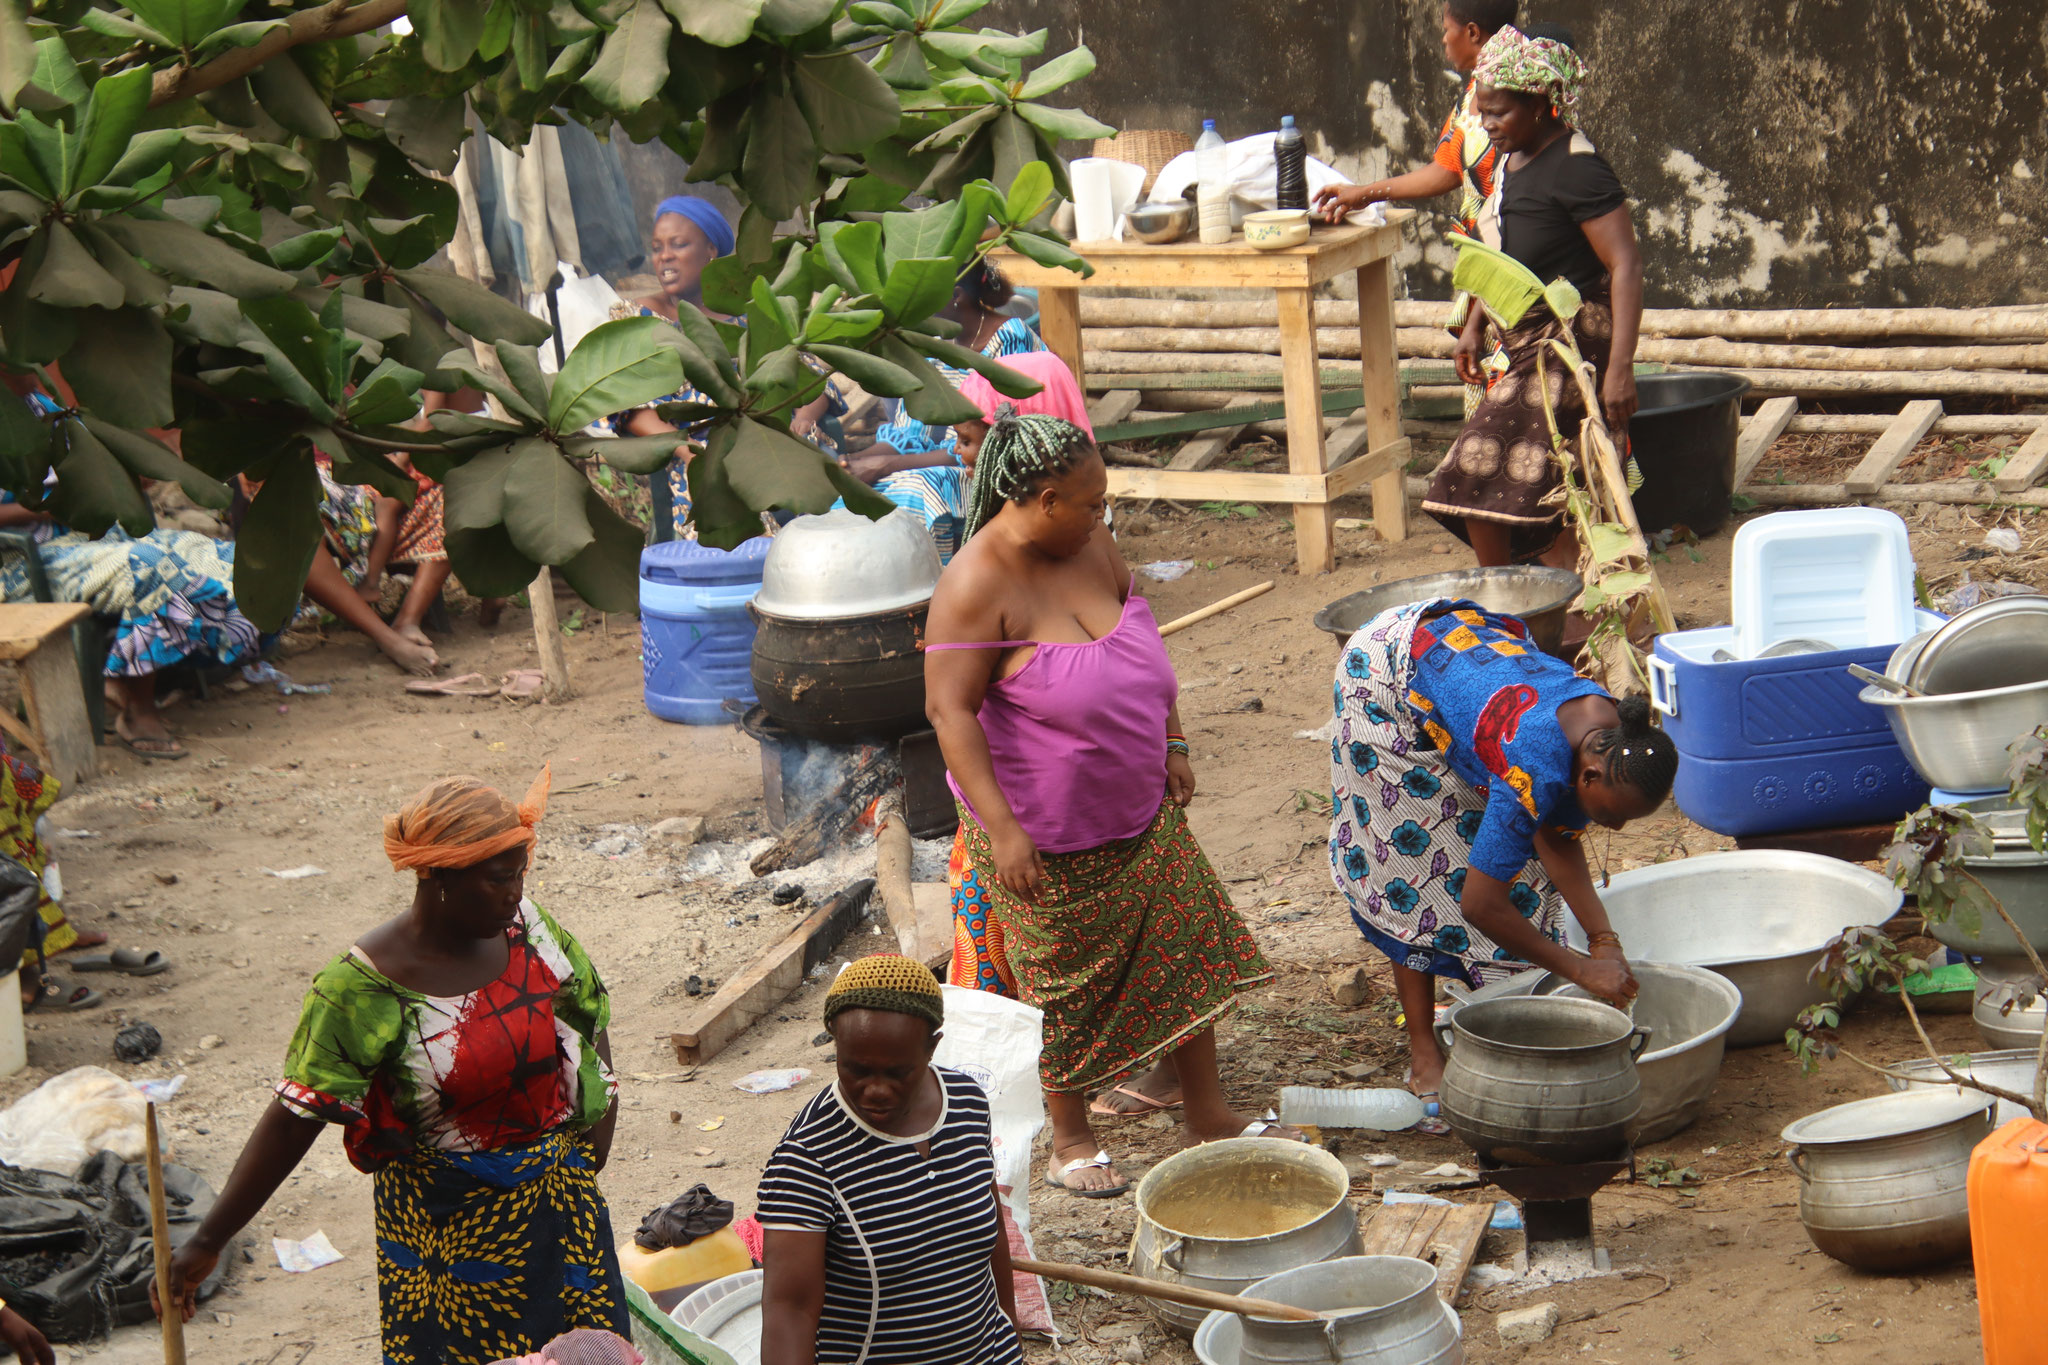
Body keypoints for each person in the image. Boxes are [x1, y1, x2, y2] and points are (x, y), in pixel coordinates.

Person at [924, 411, 1297, 1198]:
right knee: (1061, 983)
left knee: (1184, 945)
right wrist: (1004, 830)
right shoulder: (972, 584)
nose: (1104, 515)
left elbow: (1139, 638)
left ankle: (1206, 1109)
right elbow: (949, 715)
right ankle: (1071, 1135)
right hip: (1044, 837)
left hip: (1141, 811)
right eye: (1092, 502)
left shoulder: (1090, 541)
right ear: (1046, 498)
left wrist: (1175, 738)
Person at [155, 768, 630, 1364]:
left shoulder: (527, 928)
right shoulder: (361, 989)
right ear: (436, 876)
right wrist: (207, 1239)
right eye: (498, 879)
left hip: (564, 1215)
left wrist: (594, 1141)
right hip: (450, 1238)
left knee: (585, 1354)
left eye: (519, 874)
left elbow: (588, 1012)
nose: (515, 892)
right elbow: (296, 1116)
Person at [1327, 598, 1675, 1128]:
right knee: (1417, 866)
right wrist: (1581, 968)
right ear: (1587, 779)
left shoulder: (1612, 735)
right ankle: (1425, 1052)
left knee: (1516, 873)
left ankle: (1493, 1003)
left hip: (1465, 665)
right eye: (1616, 817)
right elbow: (1481, 904)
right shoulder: (1536, 763)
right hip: (1385, 682)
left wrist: (1604, 939)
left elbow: (1555, 835)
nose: (1618, 829)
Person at [1421, 23, 1643, 569]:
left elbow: (1625, 264)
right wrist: (1474, 323)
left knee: (1475, 473)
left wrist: (1619, 369)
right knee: (1553, 491)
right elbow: (1502, 255)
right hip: (1523, 337)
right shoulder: (1509, 159)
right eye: (1483, 111)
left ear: (1543, 105)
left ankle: (1505, 605)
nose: (1488, 124)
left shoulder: (1577, 167)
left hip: (1569, 343)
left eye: (1499, 113)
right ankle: (1556, 611)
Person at [758, 955, 1022, 1365]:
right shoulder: (809, 1155)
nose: (876, 1090)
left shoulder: (968, 1103)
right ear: (835, 1043)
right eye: (856, 1069)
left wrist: (1011, 1341)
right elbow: (788, 1310)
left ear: (933, 1046)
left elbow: (994, 1240)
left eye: (898, 1072)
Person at [0, 430, 265, 758]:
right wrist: (45, 510)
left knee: (221, 556)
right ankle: (138, 711)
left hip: (99, 536)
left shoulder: (47, 412)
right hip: (25, 561)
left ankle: (138, 676)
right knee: (148, 567)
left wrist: (130, 477)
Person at [610, 196, 836, 540]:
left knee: (825, 523)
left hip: (772, 437)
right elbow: (625, 405)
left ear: (711, 250)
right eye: (657, 248)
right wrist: (687, 451)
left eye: (679, 244)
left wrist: (804, 419)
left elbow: (810, 376)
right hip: (698, 451)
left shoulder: (750, 311)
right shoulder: (634, 319)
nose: (664, 256)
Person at [838, 263, 1043, 562]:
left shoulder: (1010, 339)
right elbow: (910, 433)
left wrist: (886, 465)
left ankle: (935, 589)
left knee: (920, 489)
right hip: (954, 459)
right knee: (849, 489)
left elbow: (990, 445)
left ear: (957, 295)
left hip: (999, 468)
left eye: (923, 296)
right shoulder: (936, 345)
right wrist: (859, 460)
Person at [1311, 0, 1517, 235]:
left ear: (1472, 32)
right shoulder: (1472, 92)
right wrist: (1364, 193)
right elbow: (1446, 170)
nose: (1444, 39)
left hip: (1518, 251)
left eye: (1446, 30)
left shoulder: (1524, 98)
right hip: (1481, 251)